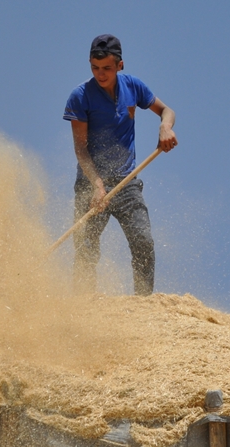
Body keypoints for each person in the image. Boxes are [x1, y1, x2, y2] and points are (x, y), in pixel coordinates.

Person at [62, 34, 177, 295]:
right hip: (90, 184)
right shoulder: (80, 97)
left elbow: (167, 111)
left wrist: (165, 127)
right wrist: (97, 185)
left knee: (143, 242)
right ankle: (83, 308)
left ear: (120, 65)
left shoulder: (134, 87)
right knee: (86, 249)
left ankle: (143, 305)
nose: (100, 74)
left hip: (127, 182)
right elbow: (80, 150)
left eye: (107, 68)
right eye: (95, 67)